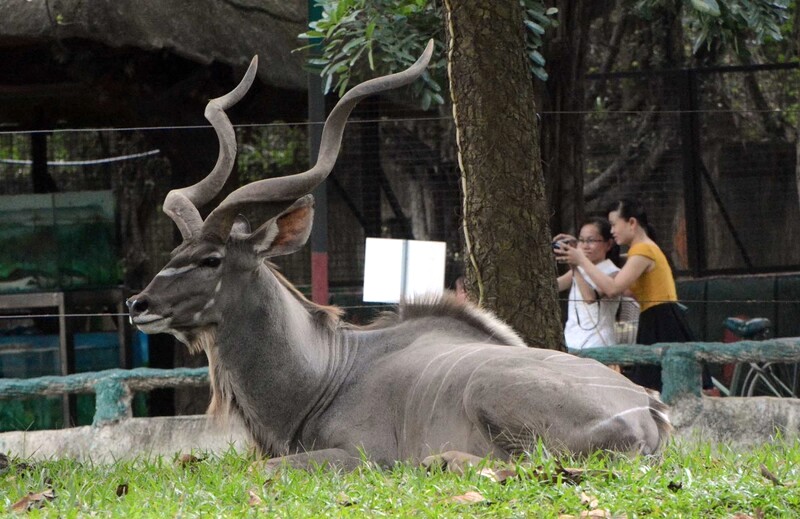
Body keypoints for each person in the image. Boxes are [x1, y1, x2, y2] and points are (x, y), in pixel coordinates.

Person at [555, 198, 694, 392]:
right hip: (653, 318)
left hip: (661, 319)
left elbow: (613, 288)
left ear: (631, 223)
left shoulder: (643, 250)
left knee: (664, 386)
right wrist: (578, 252)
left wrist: (580, 260)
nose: (612, 230)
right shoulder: (640, 251)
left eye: (614, 224)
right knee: (657, 386)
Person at [553, 217, 623, 351]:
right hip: (571, 342)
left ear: (608, 244)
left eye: (591, 241)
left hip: (598, 344)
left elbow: (590, 297)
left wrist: (576, 266)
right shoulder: (581, 268)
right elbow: (555, 286)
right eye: (582, 240)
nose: (585, 246)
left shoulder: (614, 272)